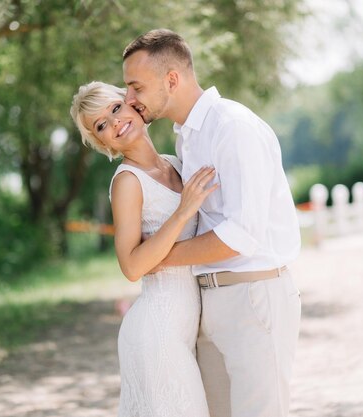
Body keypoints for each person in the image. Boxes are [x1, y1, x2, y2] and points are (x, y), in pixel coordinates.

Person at [122, 29, 302, 417]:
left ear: (172, 79)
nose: (129, 100)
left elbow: (241, 235)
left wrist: (158, 259)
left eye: (136, 86)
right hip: (208, 301)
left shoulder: (232, 127)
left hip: (254, 295)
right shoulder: (187, 139)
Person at [70, 81, 217, 417]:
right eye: (101, 125)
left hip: (188, 328)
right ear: (100, 142)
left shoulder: (175, 163)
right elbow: (132, 266)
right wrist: (182, 212)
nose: (115, 122)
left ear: (131, 104)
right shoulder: (127, 182)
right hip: (157, 332)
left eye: (115, 108)